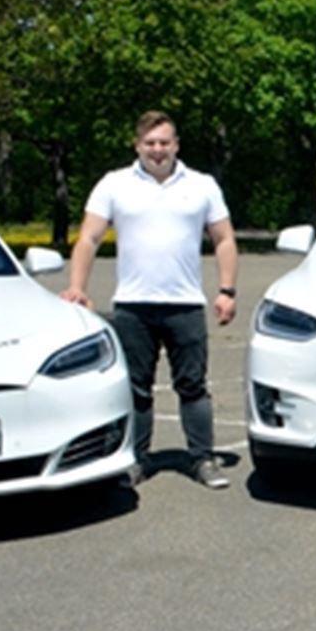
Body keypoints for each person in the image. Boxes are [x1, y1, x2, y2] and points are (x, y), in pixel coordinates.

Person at [61, 110, 239, 489]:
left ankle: (202, 459)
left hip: (185, 305)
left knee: (192, 386)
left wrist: (227, 290)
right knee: (136, 389)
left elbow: (224, 239)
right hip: (133, 306)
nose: (158, 150)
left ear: (176, 145)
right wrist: (77, 287)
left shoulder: (202, 185)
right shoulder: (114, 184)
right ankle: (136, 460)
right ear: (137, 145)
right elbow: (89, 238)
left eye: (164, 143)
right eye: (150, 143)